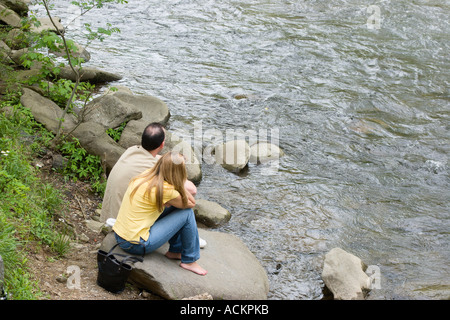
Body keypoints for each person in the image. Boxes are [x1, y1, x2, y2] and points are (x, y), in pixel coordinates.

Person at [113, 152, 207, 276]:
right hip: (135, 244)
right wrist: (180, 182)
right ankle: (189, 260)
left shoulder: (146, 175)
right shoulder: (166, 190)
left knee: (176, 207)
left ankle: (176, 251)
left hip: (120, 236)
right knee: (187, 213)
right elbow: (191, 203)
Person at [100, 122, 197, 223]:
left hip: (109, 216)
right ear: (162, 144)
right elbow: (192, 190)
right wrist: (178, 172)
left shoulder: (131, 150)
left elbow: (157, 158)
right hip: (123, 222)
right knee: (180, 206)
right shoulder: (153, 169)